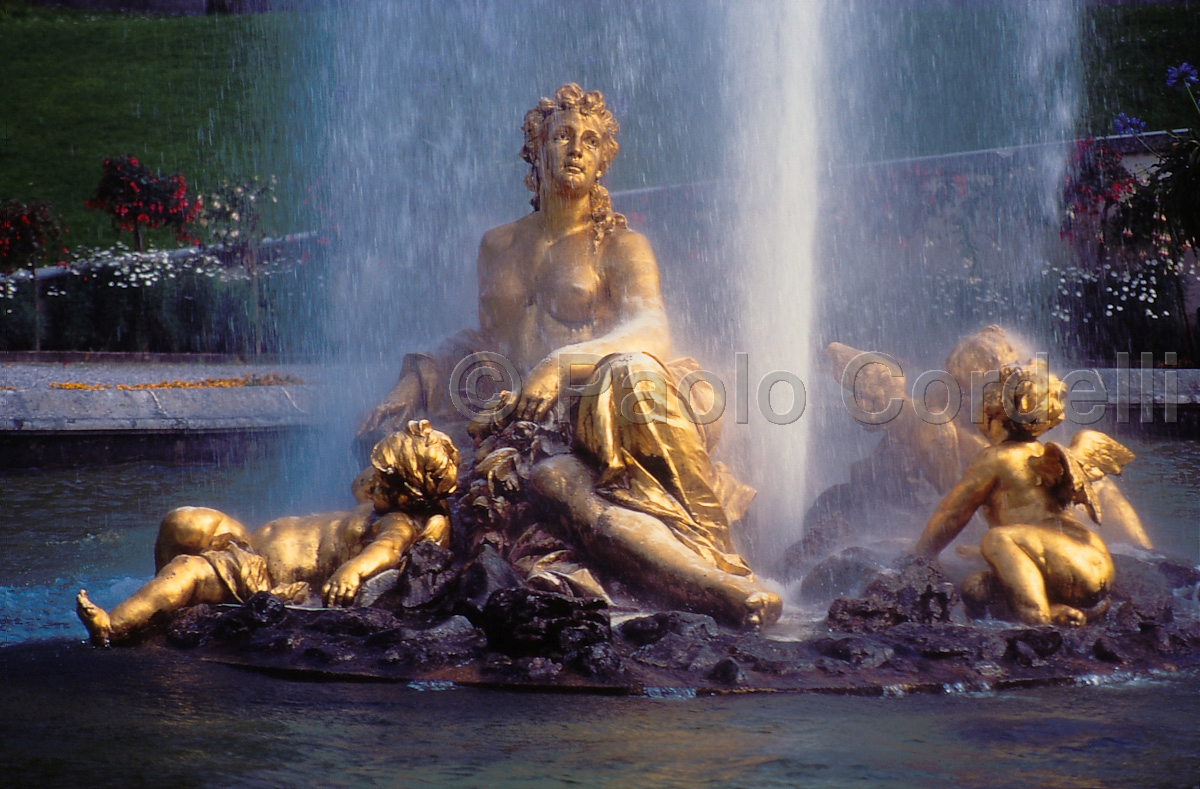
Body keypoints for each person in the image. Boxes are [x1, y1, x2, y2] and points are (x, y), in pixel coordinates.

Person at [358, 84, 779, 628]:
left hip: (595, 406)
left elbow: (651, 328)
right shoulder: (498, 246)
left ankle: (714, 566)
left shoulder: (619, 247)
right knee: (548, 481)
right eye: (562, 135)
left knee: (627, 374)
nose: (575, 148)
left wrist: (563, 364)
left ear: (604, 159)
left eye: (590, 140)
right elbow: (486, 342)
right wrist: (414, 382)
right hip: (522, 422)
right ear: (537, 148)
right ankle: (715, 588)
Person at [76, 421, 459, 646]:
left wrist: (353, 570)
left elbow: (387, 552)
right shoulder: (379, 501)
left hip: (259, 574)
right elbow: (361, 482)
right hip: (248, 544)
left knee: (188, 568)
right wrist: (399, 454)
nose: (372, 483)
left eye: (384, 479)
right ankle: (161, 602)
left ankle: (115, 627)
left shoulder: (398, 523)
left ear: (408, 496)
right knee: (183, 521)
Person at [910, 361, 1130, 626]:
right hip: (1094, 561)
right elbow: (1036, 533)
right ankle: (1073, 607)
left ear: (994, 410)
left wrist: (920, 554)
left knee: (997, 540)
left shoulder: (996, 458)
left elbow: (953, 512)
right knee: (976, 586)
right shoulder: (1043, 453)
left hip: (1069, 562)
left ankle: (1039, 618)